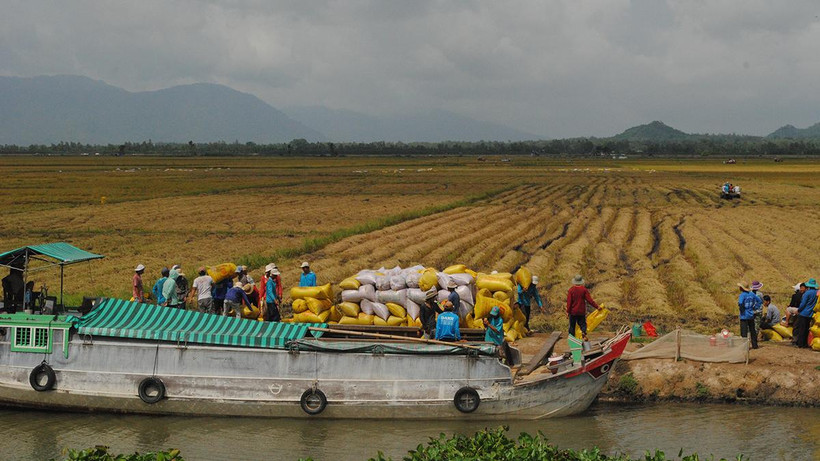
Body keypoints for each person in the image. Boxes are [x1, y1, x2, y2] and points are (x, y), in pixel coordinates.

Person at [567, 274, 600, 340]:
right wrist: (597, 307)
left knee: (572, 326)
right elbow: (590, 300)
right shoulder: (584, 290)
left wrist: (568, 312)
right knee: (583, 324)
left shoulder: (571, 290)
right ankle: (583, 333)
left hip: (573, 312)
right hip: (581, 311)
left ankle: (572, 339)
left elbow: (569, 302)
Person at [794, 278, 818, 348]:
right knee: (806, 329)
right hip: (811, 314)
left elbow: (803, 304)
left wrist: (799, 310)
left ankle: (800, 344)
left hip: (804, 313)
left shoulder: (807, 293)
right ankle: (805, 343)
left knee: (801, 329)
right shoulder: (817, 292)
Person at [737, 282, 760, 349]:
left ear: (741, 288)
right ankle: (755, 345)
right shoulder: (752, 294)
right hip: (751, 315)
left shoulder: (742, 295)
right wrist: (755, 307)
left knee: (744, 332)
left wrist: (741, 310)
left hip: (744, 316)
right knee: (752, 330)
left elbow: (741, 303)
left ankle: (745, 346)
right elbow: (759, 301)